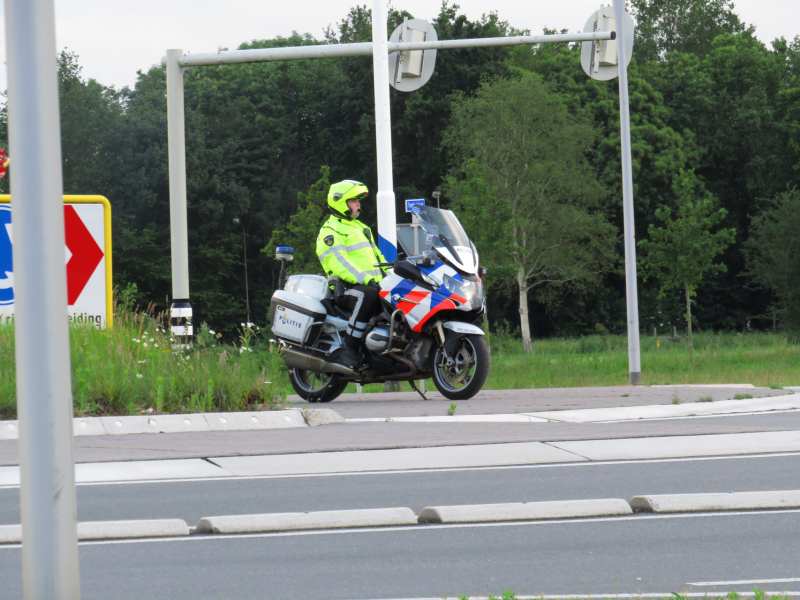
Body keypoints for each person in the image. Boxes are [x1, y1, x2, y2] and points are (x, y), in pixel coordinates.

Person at [316, 180, 387, 369]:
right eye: (354, 200)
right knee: (369, 295)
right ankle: (350, 348)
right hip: (347, 289)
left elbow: (378, 258)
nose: (359, 204)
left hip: (372, 284)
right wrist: (367, 279)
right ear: (341, 202)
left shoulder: (361, 227)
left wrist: (393, 276)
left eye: (358, 200)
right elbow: (339, 262)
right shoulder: (329, 232)